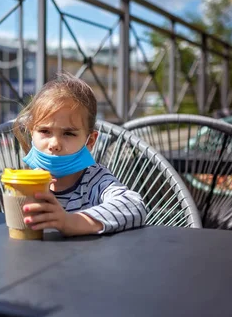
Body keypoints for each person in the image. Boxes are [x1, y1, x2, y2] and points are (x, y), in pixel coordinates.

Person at [13, 72, 147, 236]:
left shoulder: (94, 180)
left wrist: (70, 222)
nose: (54, 144)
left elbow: (134, 205)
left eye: (68, 133)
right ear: (31, 132)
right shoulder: (28, 181)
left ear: (90, 141)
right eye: (45, 131)